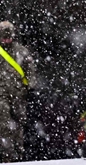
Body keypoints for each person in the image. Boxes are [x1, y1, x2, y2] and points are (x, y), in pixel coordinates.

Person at [0, 21, 36, 162]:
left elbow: (30, 70)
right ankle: (7, 155)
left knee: (18, 125)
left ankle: (17, 154)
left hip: (18, 94)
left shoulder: (21, 51)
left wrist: (31, 87)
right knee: (3, 123)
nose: (6, 40)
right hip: (1, 94)